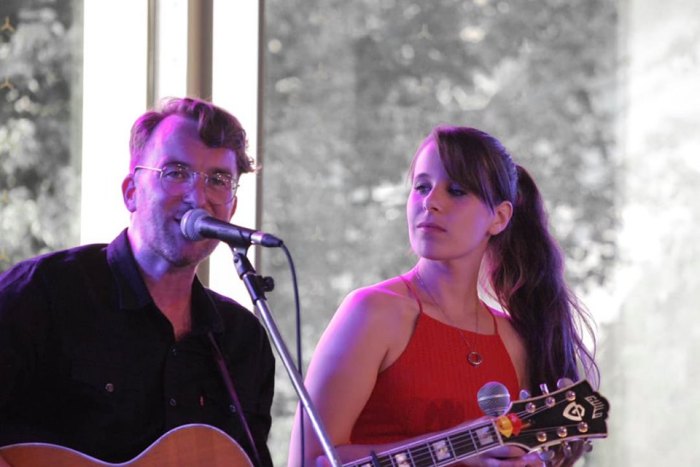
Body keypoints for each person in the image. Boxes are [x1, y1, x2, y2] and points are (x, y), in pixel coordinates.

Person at [288, 126, 598, 466]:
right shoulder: (373, 312)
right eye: (421, 187)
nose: (430, 202)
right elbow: (307, 461)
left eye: (457, 190)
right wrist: (461, 453)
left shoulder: (513, 340)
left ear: (499, 218)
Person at [0, 97, 275, 466]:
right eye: (175, 172)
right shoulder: (43, 294)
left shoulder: (243, 340)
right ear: (131, 192)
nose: (197, 198)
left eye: (218, 180)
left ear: (232, 208)